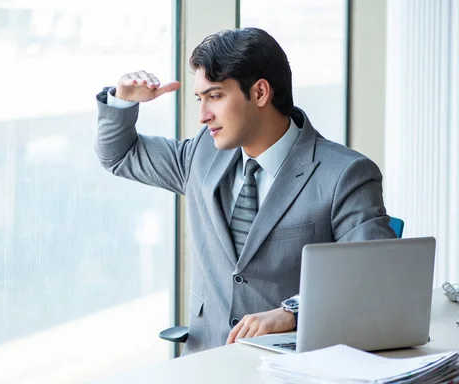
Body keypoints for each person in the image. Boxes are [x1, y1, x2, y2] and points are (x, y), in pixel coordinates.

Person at [94, 27, 396, 355]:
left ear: (261, 92)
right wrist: (121, 101)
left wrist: (292, 311)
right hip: (205, 362)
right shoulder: (201, 155)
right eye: (200, 98)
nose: (203, 115)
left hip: (290, 369)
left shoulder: (345, 175)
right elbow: (119, 155)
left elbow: (375, 279)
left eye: (215, 96)